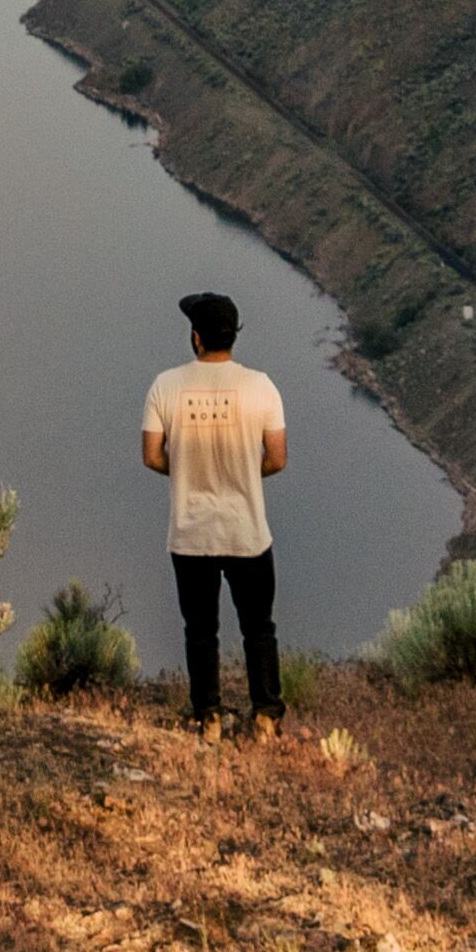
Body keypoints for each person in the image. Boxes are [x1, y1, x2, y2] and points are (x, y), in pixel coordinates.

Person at [140, 287, 290, 726]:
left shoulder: (165, 386)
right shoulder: (261, 387)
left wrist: (188, 468)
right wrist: (242, 469)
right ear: (232, 337)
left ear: (196, 338)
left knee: (201, 630)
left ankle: (207, 716)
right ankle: (265, 715)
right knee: (259, 628)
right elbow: (277, 458)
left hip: (190, 534)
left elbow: (151, 455)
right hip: (247, 532)